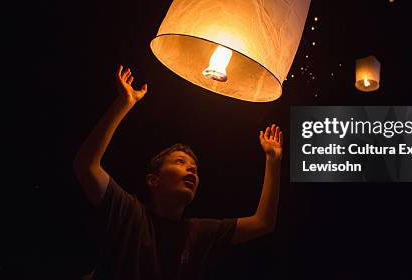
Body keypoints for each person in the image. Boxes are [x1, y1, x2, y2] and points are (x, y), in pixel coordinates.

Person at [73, 65, 283, 280]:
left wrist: (273, 161)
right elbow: (86, 165)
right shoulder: (129, 214)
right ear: (153, 180)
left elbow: (262, 223)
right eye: (180, 162)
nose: (191, 168)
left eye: (194, 167)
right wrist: (123, 103)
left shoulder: (199, 233)